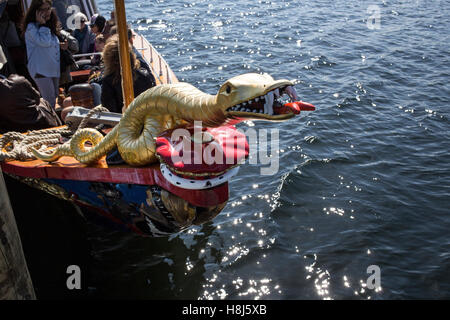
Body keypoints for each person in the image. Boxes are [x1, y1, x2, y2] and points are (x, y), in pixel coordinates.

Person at [101, 34, 156, 113]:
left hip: (122, 122)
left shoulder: (108, 82)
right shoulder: (145, 75)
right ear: (131, 54)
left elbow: (109, 111)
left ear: (108, 59)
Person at [23, 0, 62, 109]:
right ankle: (51, 124)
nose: (47, 12)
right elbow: (44, 42)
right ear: (36, 11)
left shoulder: (49, 26)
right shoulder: (31, 28)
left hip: (52, 69)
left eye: (48, 8)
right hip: (40, 70)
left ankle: (51, 121)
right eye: (42, 10)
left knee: (53, 98)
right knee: (49, 101)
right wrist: (42, 24)